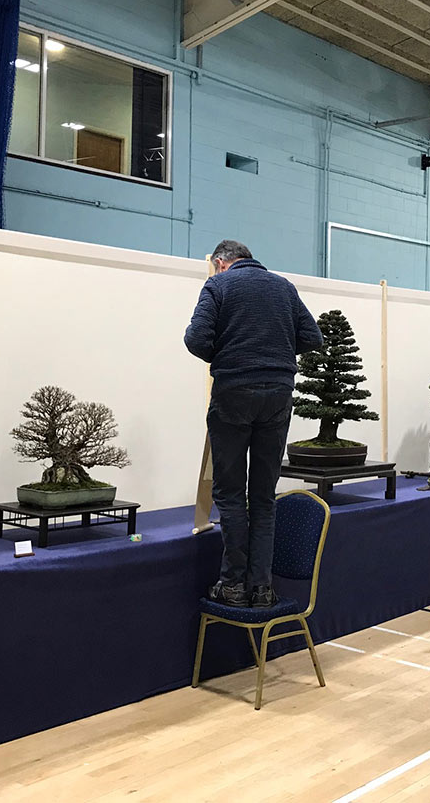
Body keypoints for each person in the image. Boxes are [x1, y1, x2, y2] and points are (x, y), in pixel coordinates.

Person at [184, 240, 323, 609]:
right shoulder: (284, 287)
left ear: (220, 262)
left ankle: (232, 585)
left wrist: (228, 355)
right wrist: (275, 354)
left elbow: (195, 339)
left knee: (230, 493)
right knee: (263, 496)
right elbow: (313, 337)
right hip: (278, 395)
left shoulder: (218, 285)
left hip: (233, 392)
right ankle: (262, 588)